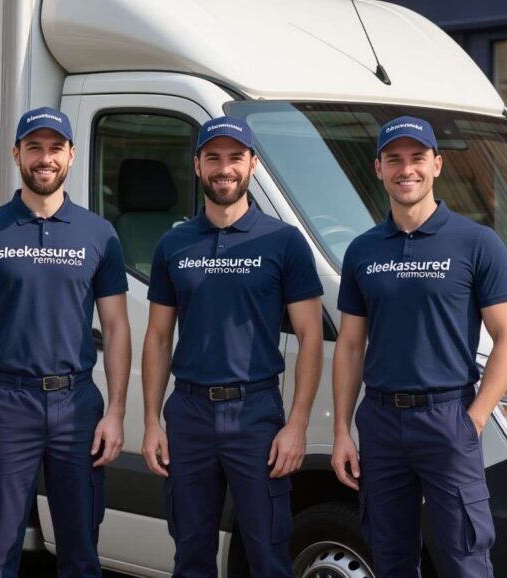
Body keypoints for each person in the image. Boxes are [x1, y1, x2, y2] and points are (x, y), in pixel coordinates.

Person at [331, 116, 507, 577]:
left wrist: (473, 419)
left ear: (436, 164)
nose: (406, 169)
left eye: (417, 158)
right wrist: (341, 429)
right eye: (394, 160)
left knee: (465, 556)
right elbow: (351, 345)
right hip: (379, 421)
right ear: (378, 169)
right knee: (390, 554)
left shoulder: (477, 242)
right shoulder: (363, 250)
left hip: (447, 417)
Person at [0, 106, 131, 578]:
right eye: (34, 148)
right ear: (17, 154)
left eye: (55, 148)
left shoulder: (100, 235)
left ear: (72, 155)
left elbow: (115, 329)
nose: (44, 158)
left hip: (77, 405)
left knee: (81, 556)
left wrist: (115, 411)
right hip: (7, 405)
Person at [141, 116, 323, 577]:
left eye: (235, 158)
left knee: (268, 555)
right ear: (198, 165)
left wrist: (297, 425)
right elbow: (159, 336)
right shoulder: (174, 244)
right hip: (189, 414)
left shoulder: (284, 242)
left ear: (253, 164)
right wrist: (150, 422)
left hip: (256, 414)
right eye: (214, 158)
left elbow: (310, 336)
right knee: (192, 554)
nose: (225, 168)